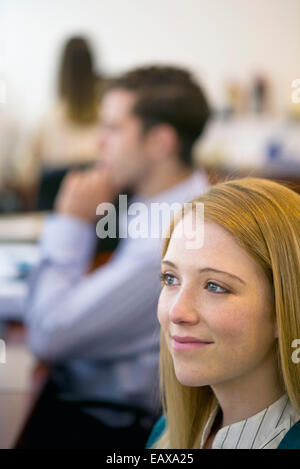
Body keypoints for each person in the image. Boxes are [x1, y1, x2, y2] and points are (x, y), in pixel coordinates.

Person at [20, 65, 211, 448]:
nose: (98, 143)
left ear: (160, 142)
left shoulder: (171, 239)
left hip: (103, 426)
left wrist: (71, 223)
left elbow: (49, 334)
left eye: (112, 129)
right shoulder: (159, 204)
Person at [147, 177, 300, 449]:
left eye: (215, 286)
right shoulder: (167, 432)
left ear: (285, 308)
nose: (177, 312)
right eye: (170, 279)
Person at [13, 36, 103, 191]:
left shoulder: (47, 120)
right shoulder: (110, 122)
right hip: (104, 211)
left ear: (62, 71)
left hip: (52, 210)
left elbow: (25, 175)